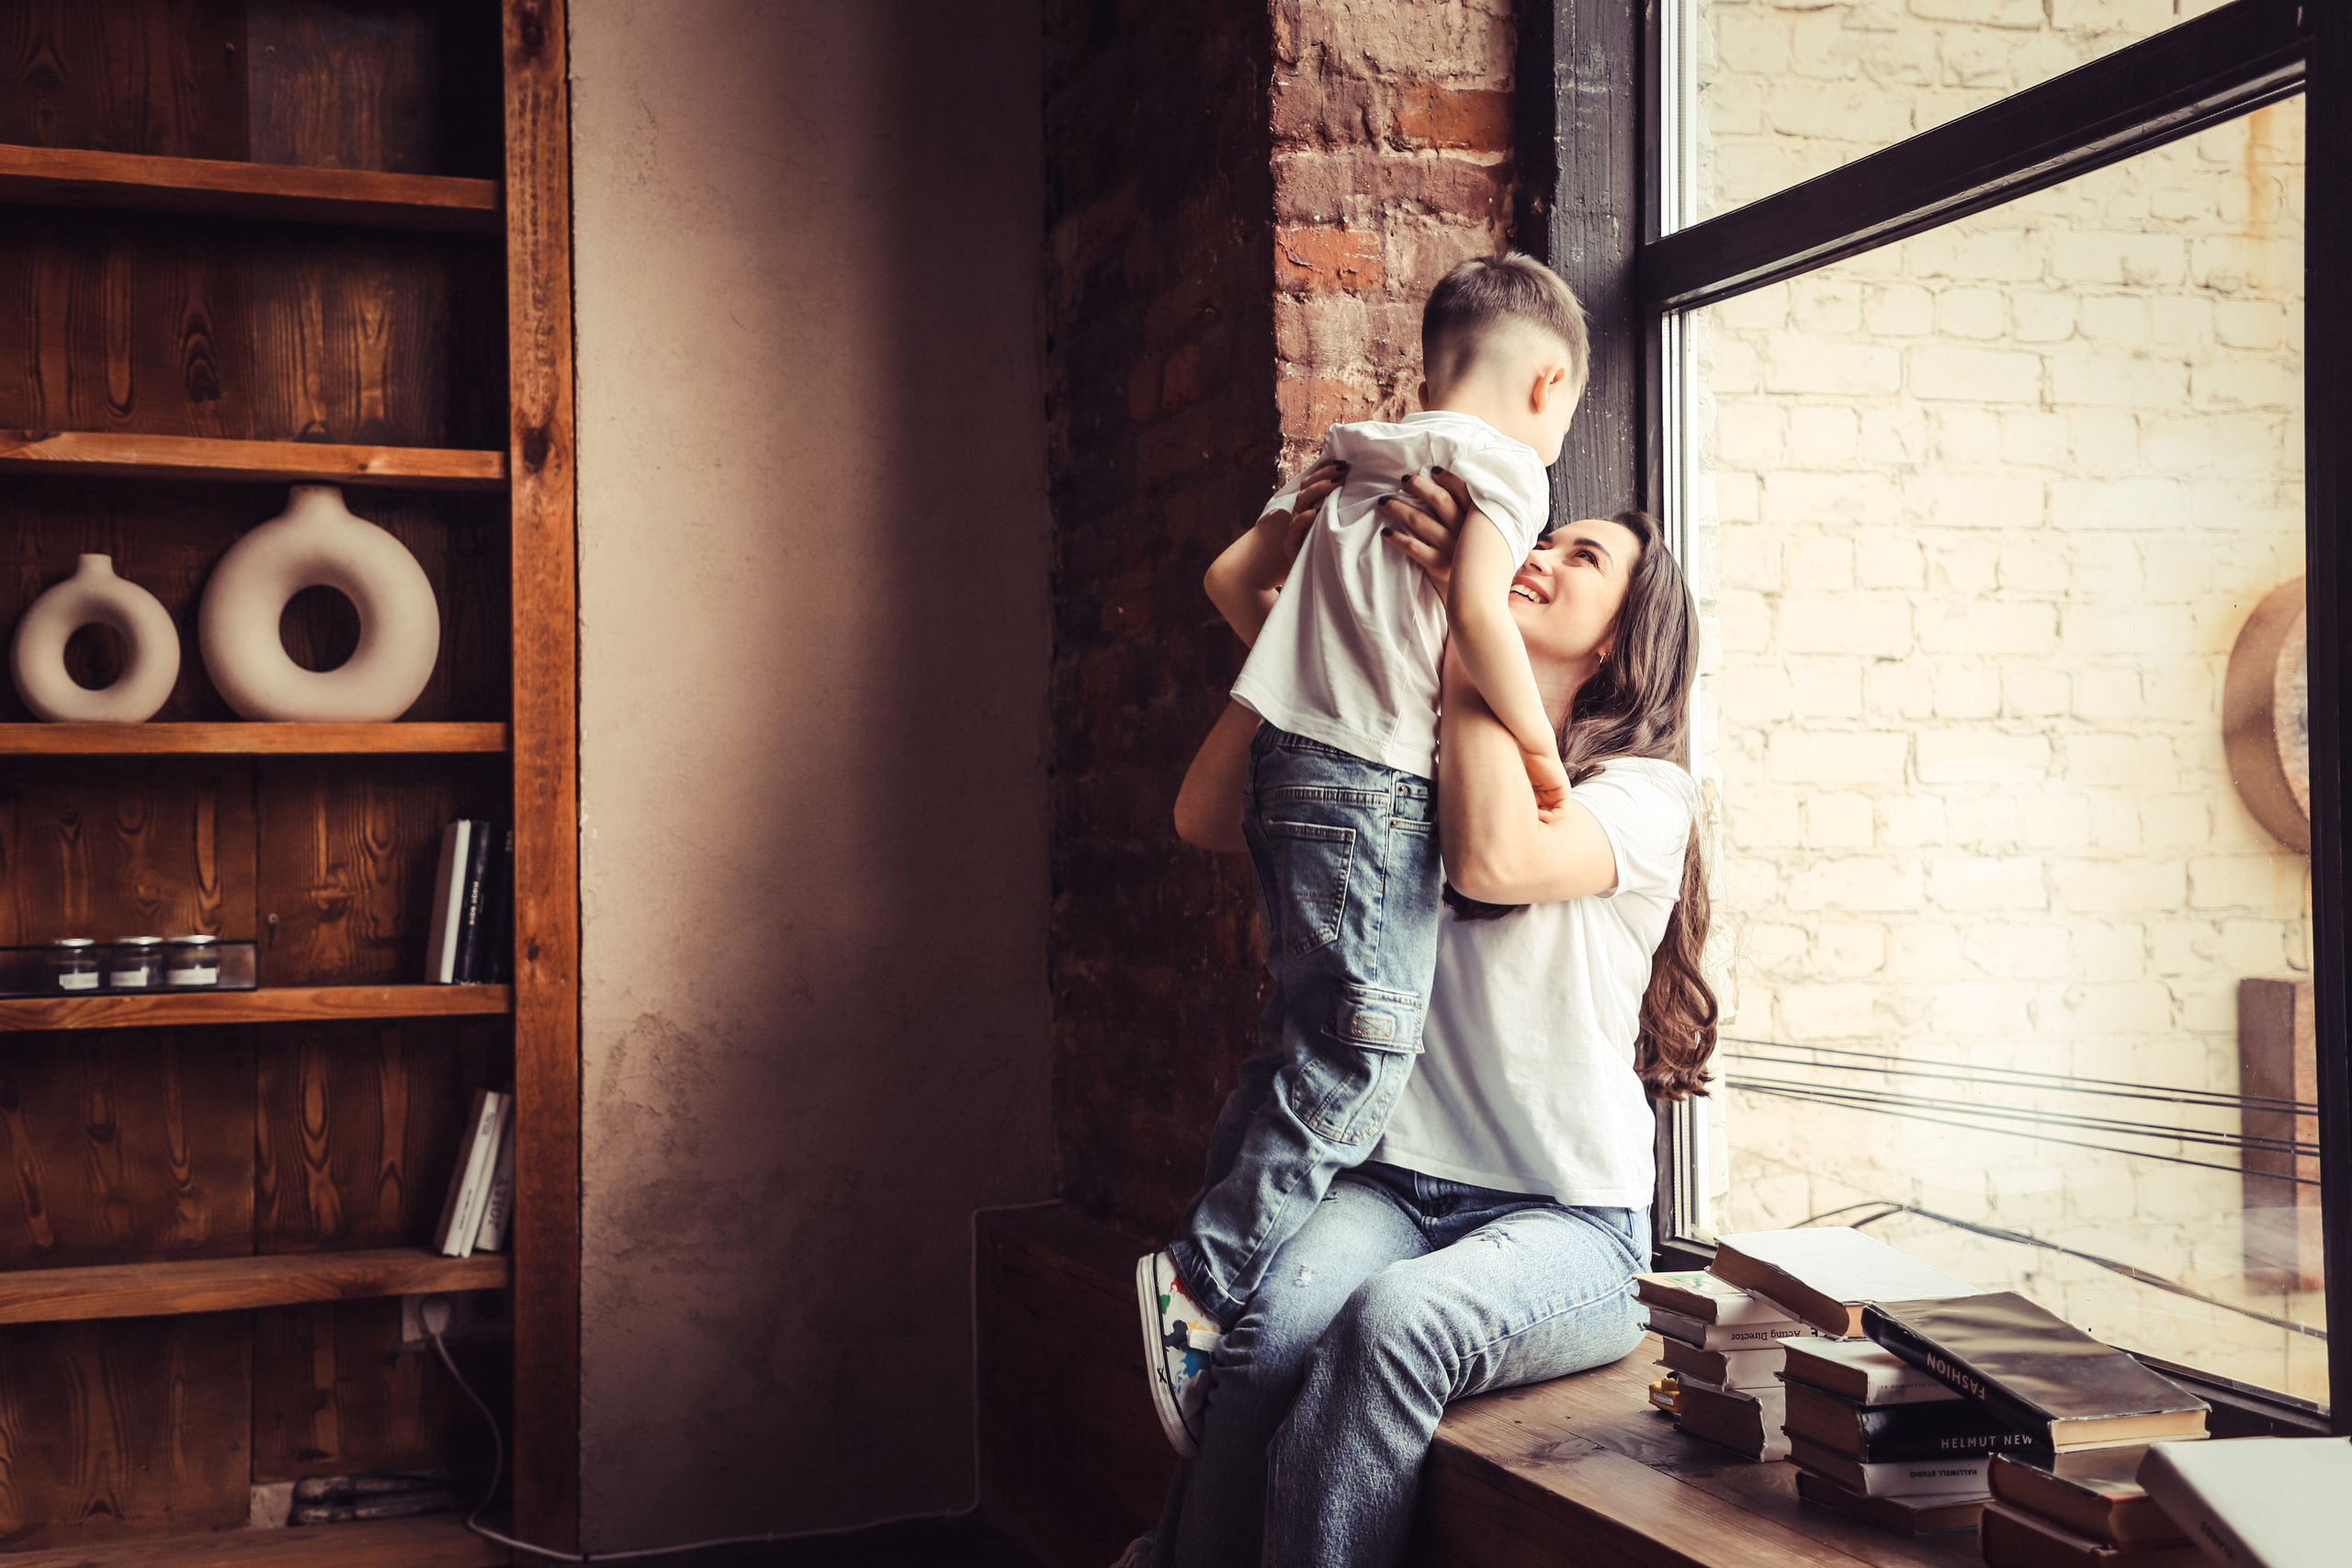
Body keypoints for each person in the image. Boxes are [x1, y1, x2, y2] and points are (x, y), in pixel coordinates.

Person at [1127, 467, 1718, 1567]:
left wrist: (1465, 624)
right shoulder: (1404, 759)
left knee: (1393, 1326)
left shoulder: (1644, 796)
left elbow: (1494, 859)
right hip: (1392, 1184)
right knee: (1262, 1340)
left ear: (1623, 643)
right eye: (1539, 540)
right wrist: (1309, 651)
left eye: (1581, 558)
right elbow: (1206, 816)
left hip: (1570, 1223)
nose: (1538, 555)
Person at [1139, 255, 1593, 1457]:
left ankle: (1207, 1266)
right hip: (1374, 786)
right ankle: (1200, 1278)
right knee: (1353, 1057)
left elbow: (1231, 579)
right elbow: (1485, 619)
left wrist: (1311, 672)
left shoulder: (1354, 455)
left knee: (1296, 1032)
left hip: (1293, 764)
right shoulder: (1505, 472)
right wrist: (1542, 756)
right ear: (1548, 383)